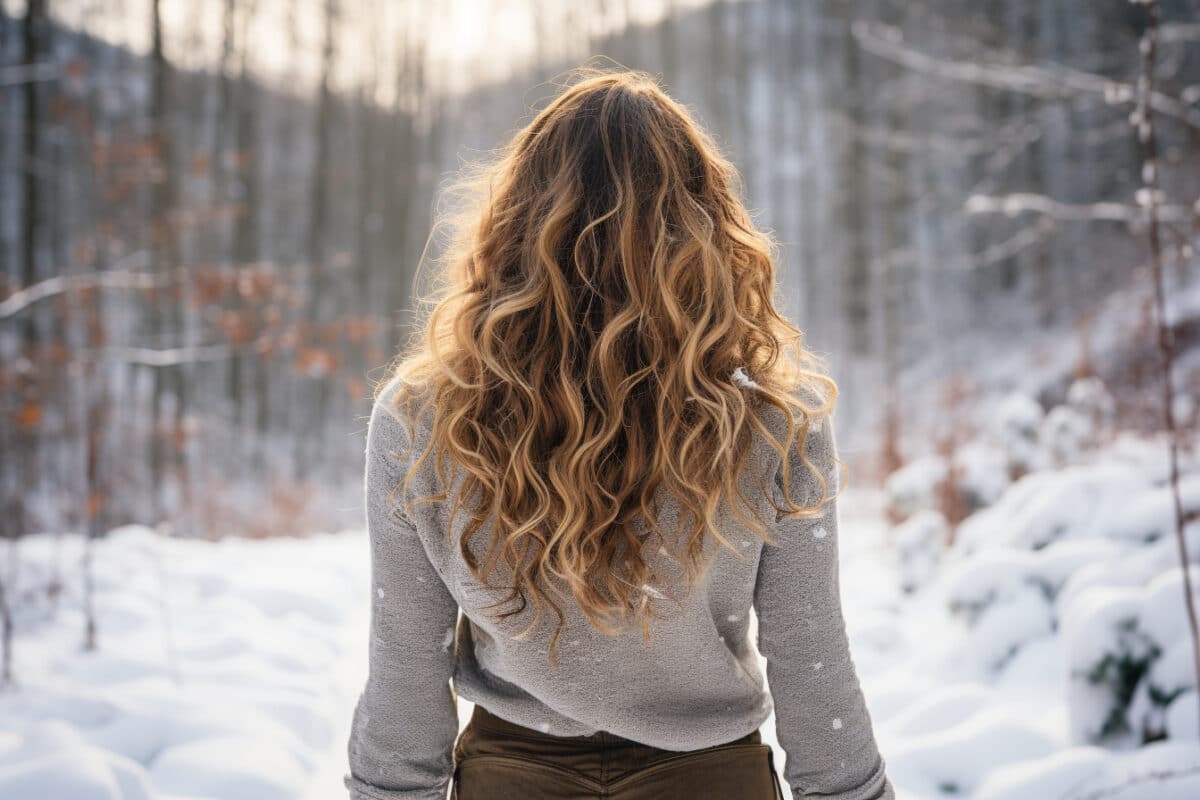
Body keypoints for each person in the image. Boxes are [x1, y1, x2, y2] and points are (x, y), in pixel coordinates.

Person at [344, 66, 895, 800]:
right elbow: (810, 659)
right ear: (704, 227)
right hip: (714, 781)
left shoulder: (424, 418)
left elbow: (406, 664)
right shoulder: (773, 420)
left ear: (514, 223)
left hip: (511, 781)